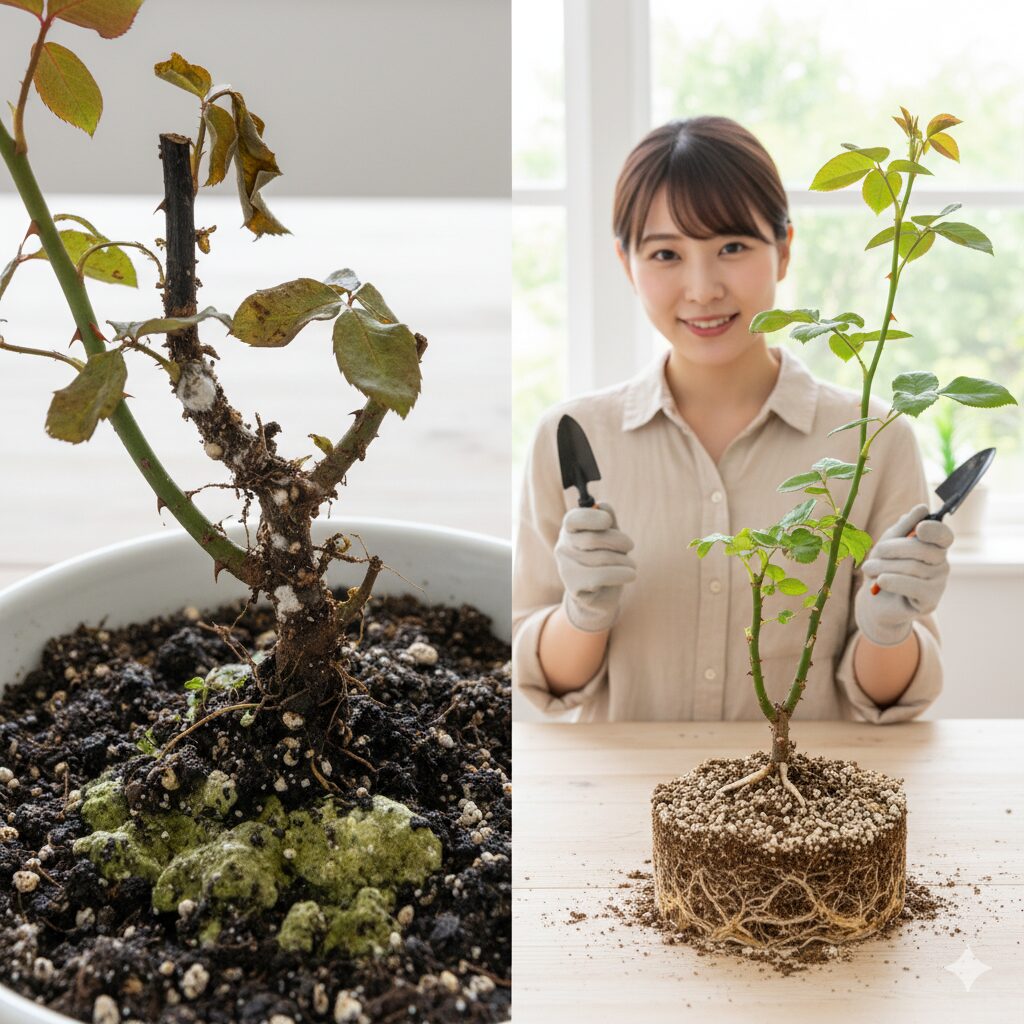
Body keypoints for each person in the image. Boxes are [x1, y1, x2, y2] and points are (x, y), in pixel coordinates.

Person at [512, 116, 952, 724]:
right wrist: (582, 615)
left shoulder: (874, 439)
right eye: (666, 254)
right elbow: (548, 683)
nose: (702, 289)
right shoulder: (570, 435)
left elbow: (886, 699)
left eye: (732, 248)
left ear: (784, 249)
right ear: (626, 263)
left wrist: (888, 627)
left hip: (802, 784)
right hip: (628, 783)